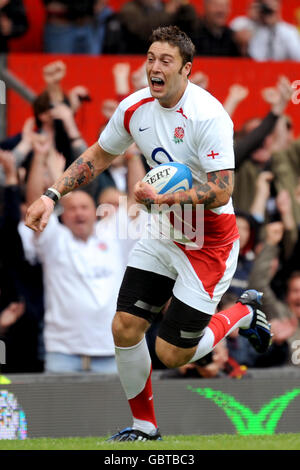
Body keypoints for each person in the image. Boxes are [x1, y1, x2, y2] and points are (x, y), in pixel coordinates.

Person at [25, 26, 271, 441]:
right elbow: (98, 155)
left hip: (210, 240)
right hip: (163, 232)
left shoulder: (209, 116)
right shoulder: (134, 108)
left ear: (186, 69)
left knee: (172, 354)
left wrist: (167, 199)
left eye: (166, 61)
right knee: (124, 327)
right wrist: (51, 195)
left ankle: (243, 313)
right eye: (150, 58)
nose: (154, 68)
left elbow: (222, 190)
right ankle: (144, 427)